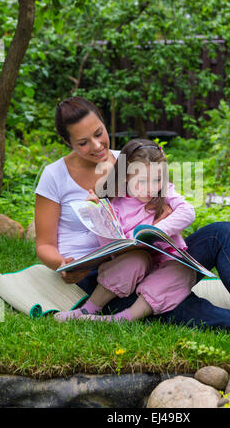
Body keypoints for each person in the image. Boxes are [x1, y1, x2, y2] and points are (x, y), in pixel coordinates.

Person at [34, 96, 230, 339]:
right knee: (171, 305)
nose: (97, 145)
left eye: (99, 133)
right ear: (67, 142)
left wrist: (160, 221)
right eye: (83, 142)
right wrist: (64, 264)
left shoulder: (132, 159)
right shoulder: (54, 175)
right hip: (102, 274)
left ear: (103, 123)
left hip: (158, 256)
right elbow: (44, 245)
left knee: (222, 232)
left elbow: (175, 201)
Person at [53, 138, 197, 323]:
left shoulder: (165, 192)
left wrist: (155, 230)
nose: (151, 188)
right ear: (127, 176)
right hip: (130, 269)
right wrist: (97, 214)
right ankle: (87, 310)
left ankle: (123, 318)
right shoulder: (115, 203)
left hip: (164, 264)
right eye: (142, 181)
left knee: (181, 271)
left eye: (158, 179)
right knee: (136, 260)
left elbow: (188, 212)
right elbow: (110, 245)